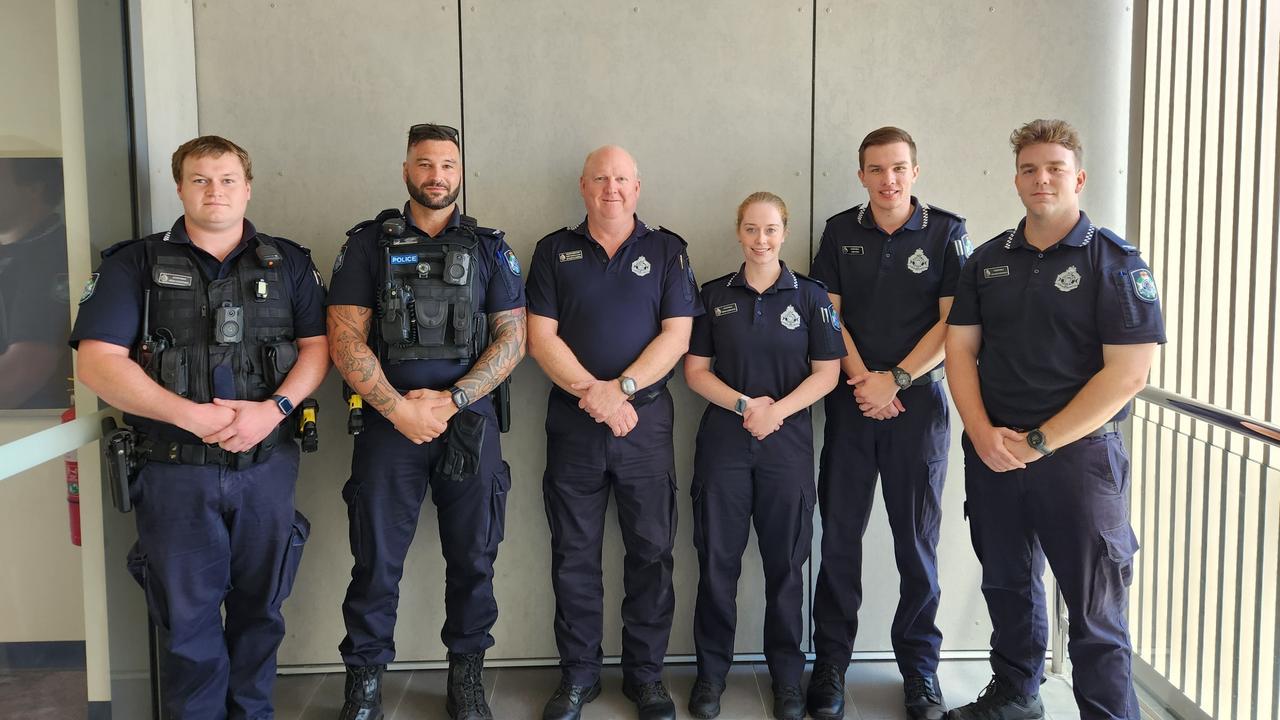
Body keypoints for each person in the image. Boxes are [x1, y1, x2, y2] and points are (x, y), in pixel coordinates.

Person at [71, 135, 330, 718]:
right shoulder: (132, 263)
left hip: (266, 468)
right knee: (187, 627)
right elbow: (97, 363)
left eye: (228, 179)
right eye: (200, 179)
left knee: (261, 614)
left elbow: (318, 349)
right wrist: (193, 417)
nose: (216, 190)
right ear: (180, 187)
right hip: (173, 472)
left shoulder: (287, 262)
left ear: (248, 186)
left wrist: (275, 410)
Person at [945, 119, 1164, 719]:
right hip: (994, 453)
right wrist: (982, 433)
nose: (1041, 179)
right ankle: (1016, 694)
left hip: (1079, 458)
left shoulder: (1115, 263)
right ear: (1016, 178)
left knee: (1094, 612)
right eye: (1029, 169)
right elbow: (959, 351)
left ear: (1079, 178)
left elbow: (1129, 374)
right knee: (1007, 587)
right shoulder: (988, 260)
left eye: (1055, 169)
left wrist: (1040, 442)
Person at [326, 123, 526, 720]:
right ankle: (364, 684)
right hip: (391, 426)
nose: (436, 175)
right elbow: (343, 337)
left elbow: (513, 339)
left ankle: (466, 676)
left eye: (447, 164)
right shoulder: (368, 244)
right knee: (376, 559)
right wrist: (398, 407)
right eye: (425, 163)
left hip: (469, 423)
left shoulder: (490, 246)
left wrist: (454, 400)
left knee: (473, 556)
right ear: (406, 168)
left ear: (460, 172)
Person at [525, 145, 702, 720]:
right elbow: (540, 337)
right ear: (582, 186)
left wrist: (620, 391)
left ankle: (646, 677)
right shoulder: (553, 251)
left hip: (644, 423)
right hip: (574, 424)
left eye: (621, 179)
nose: (611, 189)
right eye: (600, 179)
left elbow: (677, 336)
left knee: (651, 552)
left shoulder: (668, 250)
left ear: (638, 186)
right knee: (573, 553)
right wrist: (594, 396)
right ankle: (577, 677)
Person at [806, 127, 969, 720]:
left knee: (916, 547)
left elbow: (954, 327)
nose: (888, 179)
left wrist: (895, 379)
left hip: (918, 410)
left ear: (915, 171)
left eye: (898, 168)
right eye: (876, 169)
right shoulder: (839, 231)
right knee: (840, 540)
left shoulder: (948, 232)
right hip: (853, 404)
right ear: (862, 176)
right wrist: (865, 381)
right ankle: (829, 666)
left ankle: (921, 672)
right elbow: (827, 314)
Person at [683, 192, 844, 720]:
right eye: (751, 229)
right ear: (738, 232)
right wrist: (745, 405)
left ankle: (787, 681)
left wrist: (778, 411)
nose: (761, 240)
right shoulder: (711, 296)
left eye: (771, 230)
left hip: (787, 449)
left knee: (787, 568)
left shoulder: (812, 298)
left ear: (785, 233)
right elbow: (695, 372)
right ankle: (710, 678)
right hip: (725, 448)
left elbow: (828, 373)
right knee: (717, 566)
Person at [0, 157, 72, 409]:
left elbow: (21, 373)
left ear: (33, 189)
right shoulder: (10, 253)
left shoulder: (56, 256)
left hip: (29, 433)